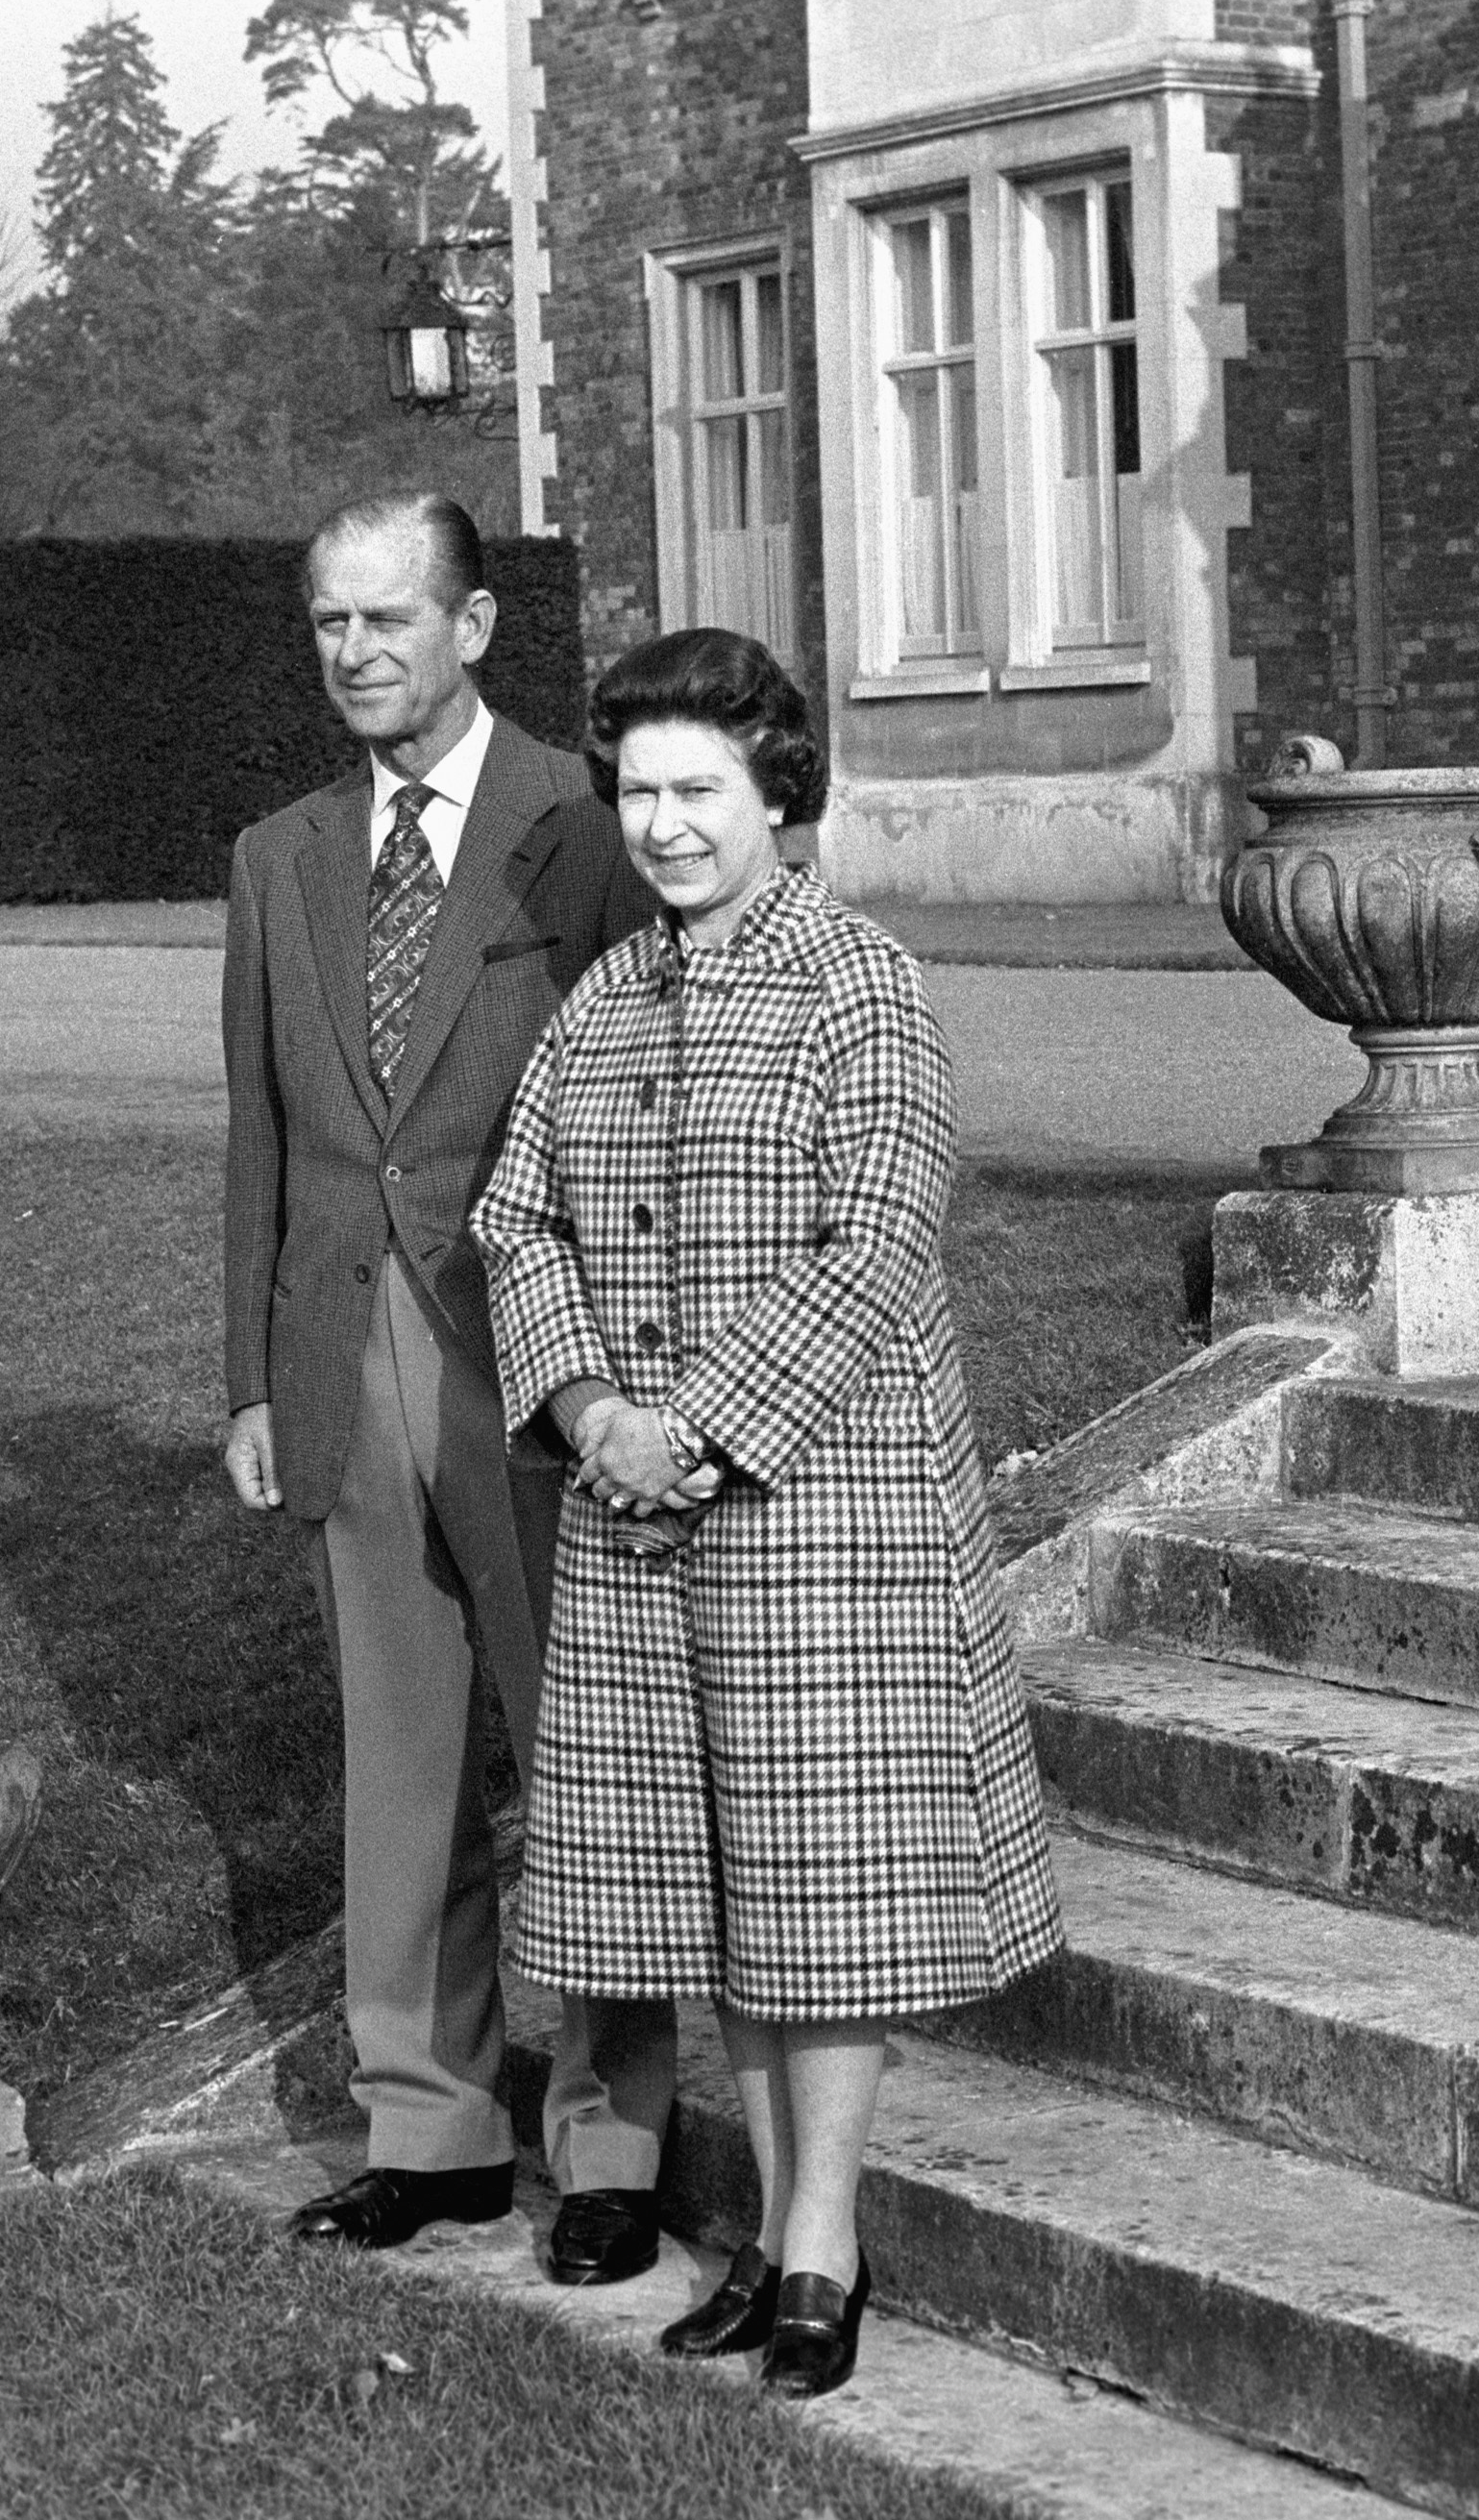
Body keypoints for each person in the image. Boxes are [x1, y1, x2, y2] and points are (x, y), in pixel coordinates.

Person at [470, 627, 1065, 2398]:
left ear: (778, 794)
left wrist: (694, 1429)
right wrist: (587, 1409)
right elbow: (519, 1221)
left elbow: (878, 1240)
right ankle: (779, 2231)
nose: (661, 826)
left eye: (698, 792)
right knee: (719, 1886)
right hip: (642, 1518)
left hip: (827, 1513)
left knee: (826, 1885)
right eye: (638, 791)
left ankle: (823, 2242)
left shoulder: (856, 985)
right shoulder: (608, 1000)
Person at [219, 491, 660, 2265]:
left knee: (590, 1746)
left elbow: (653, 1095)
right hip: (345, 1348)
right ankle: (435, 2127)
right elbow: (255, 1132)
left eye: (388, 620)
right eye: (329, 623)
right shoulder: (280, 856)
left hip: (542, 1349)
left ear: (473, 629)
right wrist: (251, 1377)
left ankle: (615, 2149)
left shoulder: (592, 823)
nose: (354, 655)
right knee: (399, 1759)